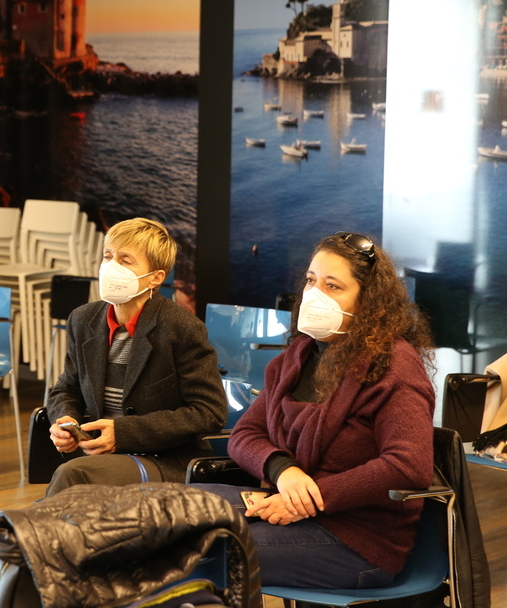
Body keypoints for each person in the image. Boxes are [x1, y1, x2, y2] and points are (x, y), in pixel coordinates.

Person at [197, 231, 436, 589]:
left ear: (368, 301)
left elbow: (408, 466)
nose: (315, 294)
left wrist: (310, 500)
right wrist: (284, 472)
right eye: (311, 281)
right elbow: (245, 434)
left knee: (198, 552)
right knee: (162, 512)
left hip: (356, 540)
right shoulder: (297, 356)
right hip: (286, 500)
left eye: (332, 286)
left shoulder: (394, 366)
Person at [46, 218, 227, 497]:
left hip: (164, 459)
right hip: (98, 455)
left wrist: (124, 433)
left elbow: (209, 412)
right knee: (76, 478)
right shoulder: (82, 319)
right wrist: (66, 420)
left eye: (125, 260)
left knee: (75, 475)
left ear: (156, 277)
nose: (111, 266)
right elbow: (66, 388)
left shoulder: (181, 328)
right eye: (108, 256)